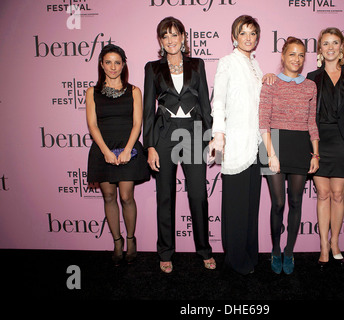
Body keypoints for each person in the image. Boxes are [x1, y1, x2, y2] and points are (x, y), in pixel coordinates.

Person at [143, 16, 216, 273]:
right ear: (160, 40)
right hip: (164, 133)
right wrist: (150, 145)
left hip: (193, 132)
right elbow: (148, 110)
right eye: (166, 35)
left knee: (197, 194)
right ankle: (165, 252)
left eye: (175, 34)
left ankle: (204, 249)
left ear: (184, 37)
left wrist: (211, 136)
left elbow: (206, 103)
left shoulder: (197, 64)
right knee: (165, 196)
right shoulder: (152, 68)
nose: (171, 40)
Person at [209, 15, 268, 275]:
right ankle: (234, 259)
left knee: (251, 204)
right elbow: (218, 101)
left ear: (257, 38)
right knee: (235, 205)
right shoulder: (227, 62)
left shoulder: (256, 66)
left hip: (256, 144)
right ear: (234, 36)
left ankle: (249, 254)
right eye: (242, 32)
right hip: (234, 142)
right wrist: (218, 134)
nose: (248, 37)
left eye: (252, 33)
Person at [306, 27, 344, 269]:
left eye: (335, 43)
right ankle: (322, 245)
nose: (330, 47)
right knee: (322, 194)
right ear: (319, 49)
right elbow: (307, 115)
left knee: (338, 195)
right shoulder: (312, 77)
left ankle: (335, 243)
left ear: (342, 47)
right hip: (320, 142)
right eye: (325, 43)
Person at [259, 37, 319, 275]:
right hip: (273, 143)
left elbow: (311, 122)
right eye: (292, 54)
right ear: (282, 56)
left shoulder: (310, 86)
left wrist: (315, 154)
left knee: (296, 202)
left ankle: (290, 252)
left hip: (300, 145)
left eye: (301, 55)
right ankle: (275, 250)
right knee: (278, 203)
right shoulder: (270, 83)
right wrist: (271, 154)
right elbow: (263, 121)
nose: (297, 59)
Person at [86, 44, 150, 266]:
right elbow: (93, 126)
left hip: (128, 149)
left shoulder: (134, 91)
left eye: (117, 62)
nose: (113, 67)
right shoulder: (91, 92)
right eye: (108, 62)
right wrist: (105, 151)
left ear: (123, 65)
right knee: (109, 197)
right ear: (101, 65)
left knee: (126, 196)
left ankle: (131, 239)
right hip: (102, 149)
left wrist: (126, 151)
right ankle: (117, 242)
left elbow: (137, 124)